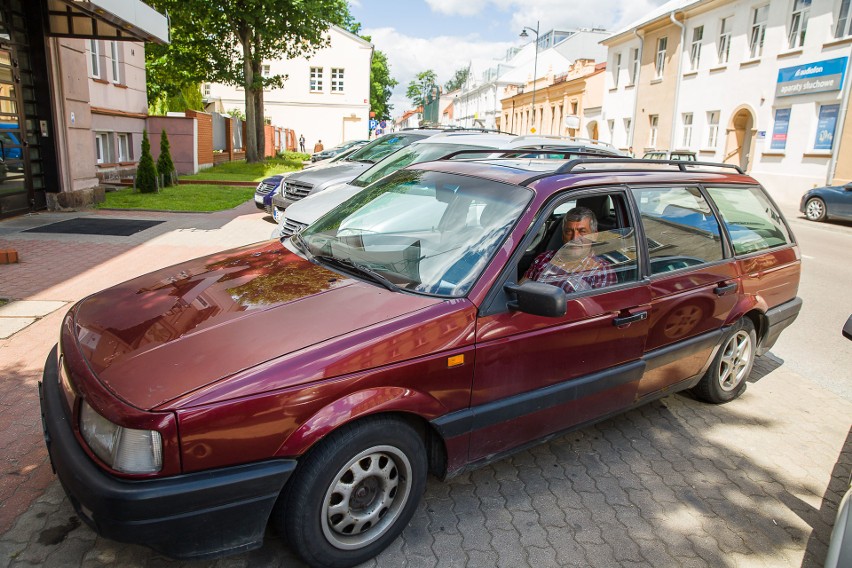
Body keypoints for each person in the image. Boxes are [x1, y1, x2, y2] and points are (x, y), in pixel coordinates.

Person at [522, 206, 615, 293]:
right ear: (563, 235)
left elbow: (598, 308)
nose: (575, 238)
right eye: (569, 231)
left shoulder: (602, 271)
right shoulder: (544, 258)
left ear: (594, 235)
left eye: (582, 231)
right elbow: (519, 290)